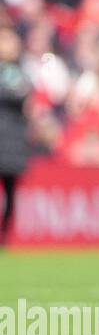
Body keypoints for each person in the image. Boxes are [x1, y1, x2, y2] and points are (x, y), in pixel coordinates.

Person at [0, 26, 31, 247]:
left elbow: (25, 95)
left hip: (12, 140)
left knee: (11, 190)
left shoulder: (21, 71)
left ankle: (4, 235)